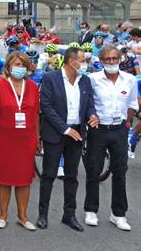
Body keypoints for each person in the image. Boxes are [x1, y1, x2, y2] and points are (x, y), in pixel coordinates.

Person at [36, 47, 98, 231]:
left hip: (77, 133)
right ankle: (42, 215)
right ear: (72, 62)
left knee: (72, 176)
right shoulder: (50, 78)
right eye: (83, 60)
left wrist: (92, 116)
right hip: (56, 133)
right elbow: (46, 107)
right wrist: (65, 129)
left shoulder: (85, 81)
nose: (85, 64)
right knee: (49, 175)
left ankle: (68, 215)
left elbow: (89, 105)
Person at [84, 44, 138, 231]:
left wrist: (127, 123)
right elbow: (88, 102)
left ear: (120, 59)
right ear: (101, 61)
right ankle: (91, 210)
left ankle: (118, 214)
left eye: (115, 58)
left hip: (119, 130)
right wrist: (91, 117)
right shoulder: (93, 79)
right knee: (94, 170)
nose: (112, 62)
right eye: (107, 59)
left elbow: (132, 104)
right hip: (98, 130)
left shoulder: (129, 79)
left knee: (120, 171)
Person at [0, 52, 40, 231]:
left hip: (26, 139)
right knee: (4, 178)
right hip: (4, 139)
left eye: (23, 64)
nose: (20, 67)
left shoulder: (32, 86)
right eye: (16, 64)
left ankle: (22, 216)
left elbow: (36, 115)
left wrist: (37, 137)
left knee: (24, 179)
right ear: (8, 67)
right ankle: (3, 214)